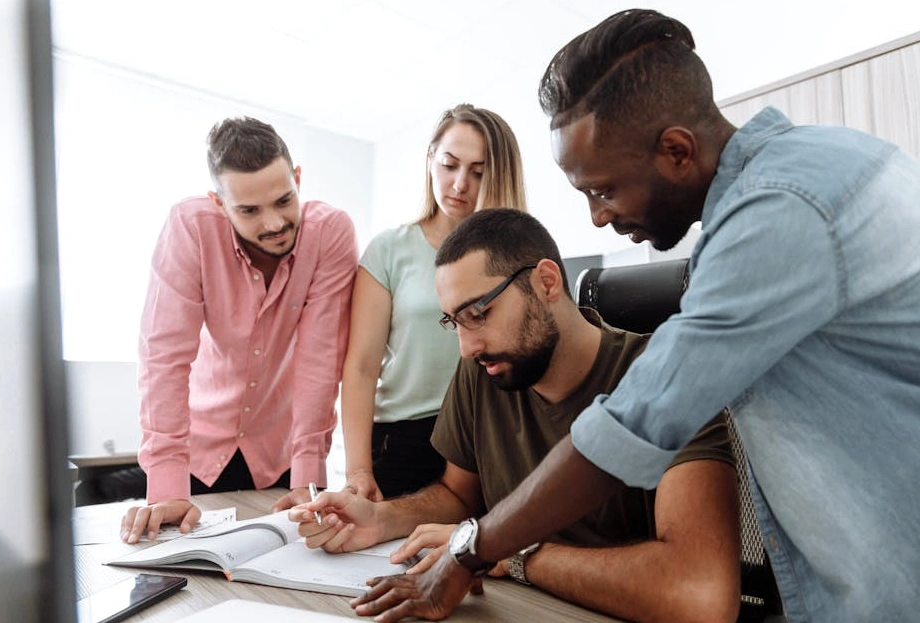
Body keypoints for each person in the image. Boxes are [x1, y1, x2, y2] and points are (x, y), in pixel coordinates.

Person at [348, 9, 920, 623]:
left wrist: (473, 550)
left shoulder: (778, 210)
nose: (596, 218)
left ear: (676, 151)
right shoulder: (806, 171)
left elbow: (631, 424)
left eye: (603, 190)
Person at [296, 209, 741, 623]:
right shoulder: (484, 370)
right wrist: (382, 519)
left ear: (547, 282)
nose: (467, 347)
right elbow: (457, 495)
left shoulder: (666, 377)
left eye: (478, 314)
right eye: (454, 322)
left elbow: (700, 593)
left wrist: (513, 555)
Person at [121, 116, 358, 543]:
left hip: (280, 452)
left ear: (298, 178)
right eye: (249, 210)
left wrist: (308, 476)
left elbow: (320, 358)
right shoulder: (190, 227)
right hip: (198, 451)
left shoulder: (330, 233)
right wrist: (167, 486)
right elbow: (164, 358)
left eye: (284, 200)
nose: (273, 223)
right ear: (218, 202)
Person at [341, 104, 527, 501]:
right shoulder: (390, 249)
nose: (460, 184)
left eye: (478, 172)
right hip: (404, 440)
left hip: (490, 437)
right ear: (430, 161)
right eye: (449, 164)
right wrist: (358, 470)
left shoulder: (518, 257)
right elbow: (360, 367)